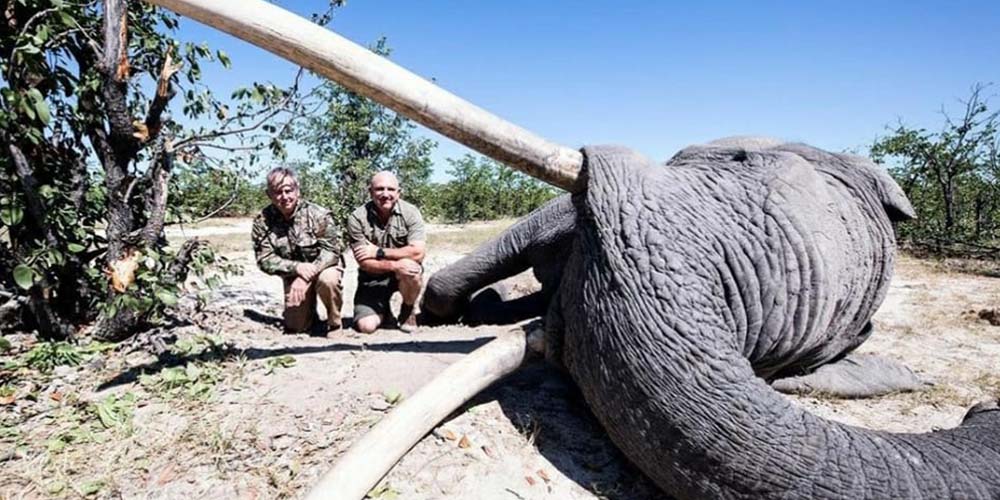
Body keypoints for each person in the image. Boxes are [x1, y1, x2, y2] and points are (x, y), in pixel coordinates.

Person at [251, 167, 344, 335]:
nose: (284, 197)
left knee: (328, 281)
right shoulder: (262, 221)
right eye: (278, 192)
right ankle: (310, 317)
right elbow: (264, 259)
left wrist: (306, 274)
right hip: (293, 273)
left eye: (288, 191)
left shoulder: (318, 215)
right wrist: (297, 268)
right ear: (269, 194)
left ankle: (334, 324)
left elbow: (332, 251)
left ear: (297, 190)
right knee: (296, 326)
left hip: (323, 267)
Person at [347, 171, 426, 333]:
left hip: (403, 273)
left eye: (390, 189)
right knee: (366, 327)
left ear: (398, 192)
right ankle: (385, 312)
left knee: (411, 268)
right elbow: (364, 262)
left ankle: (408, 309)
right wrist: (394, 266)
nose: (385, 194)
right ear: (370, 192)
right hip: (372, 277)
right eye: (379, 189)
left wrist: (378, 252)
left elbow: (418, 252)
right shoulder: (357, 218)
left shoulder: (411, 212)